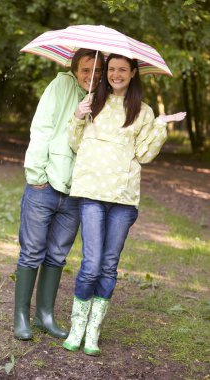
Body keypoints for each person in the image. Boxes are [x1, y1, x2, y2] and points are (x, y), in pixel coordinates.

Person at [63, 53, 186, 355]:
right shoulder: (93, 102)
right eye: (111, 69)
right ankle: (77, 326)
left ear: (133, 73)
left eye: (122, 70)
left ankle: (93, 331)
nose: (116, 74)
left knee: (108, 266)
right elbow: (75, 143)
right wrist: (78, 117)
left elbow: (144, 154)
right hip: (91, 193)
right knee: (90, 265)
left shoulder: (142, 111)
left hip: (123, 199)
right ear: (105, 73)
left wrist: (160, 125)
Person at [14, 48, 105, 341]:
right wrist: (35, 174)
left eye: (97, 71)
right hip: (47, 183)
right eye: (86, 69)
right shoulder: (61, 85)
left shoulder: (103, 97)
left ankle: (45, 316)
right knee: (31, 252)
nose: (92, 76)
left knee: (56, 255)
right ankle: (21, 317)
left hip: (77, 191)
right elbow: (41, 127)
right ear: (74, 67)